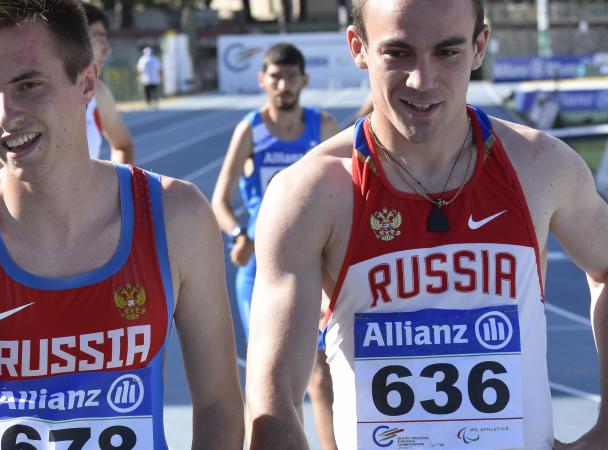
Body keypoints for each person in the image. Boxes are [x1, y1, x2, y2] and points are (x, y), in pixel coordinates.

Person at [245, 1, 608, 449]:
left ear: (479, 48)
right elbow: (273, 399)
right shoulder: (312, 193)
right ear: (358, 48)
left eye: (447, 53)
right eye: (398, 54)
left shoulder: (541, 167)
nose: (422, 80)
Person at [0, 1, 244, 449]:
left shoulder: (177, 215)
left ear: (87, 85)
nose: (5, 115)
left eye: (29, 85)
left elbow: (219, 405)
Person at [211, 42, 340, 450]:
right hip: (261, 272)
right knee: (275, 382)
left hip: (313, 267)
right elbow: (220, 201)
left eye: (291, 77)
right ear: (262, 80)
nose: (283, 85)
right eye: (276, 77)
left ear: (305, 80)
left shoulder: (323, 127)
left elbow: (348, 193)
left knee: (320, 375)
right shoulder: (251, 130)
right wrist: (238, 235)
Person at [0, 2, 134, 180]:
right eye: (97, 37)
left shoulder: (100, 95)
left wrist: (117, 195)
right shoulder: (14, 115)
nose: (106, 48)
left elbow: (123, 146)